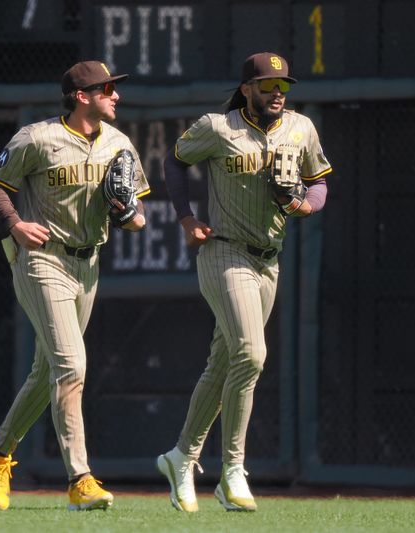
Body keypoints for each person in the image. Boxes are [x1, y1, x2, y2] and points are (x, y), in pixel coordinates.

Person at [157, 52, 332, 512]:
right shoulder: (218, 128)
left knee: (225, 363)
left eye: (284, 85)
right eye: (268, 84)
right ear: (248, 89)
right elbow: (174, 161)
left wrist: (306, 206)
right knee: (251, 354)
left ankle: (181, 458)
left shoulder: (301, 128)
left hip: (268, 260)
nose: (278, 93)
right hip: (225, 250)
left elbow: (318, 183)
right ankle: (232, 470)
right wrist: (185, 218)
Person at [0, 60, 150, 511]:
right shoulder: (37, 137)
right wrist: (15, 224)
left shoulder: (119, 143)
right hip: (41, 261)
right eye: (107, 89)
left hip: (87, 264)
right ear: (81, 96)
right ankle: (80, 479)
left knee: (46, 373)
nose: (116, 96)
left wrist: (128, 213)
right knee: (72, 366)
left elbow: (138, 218)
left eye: (114, 89)